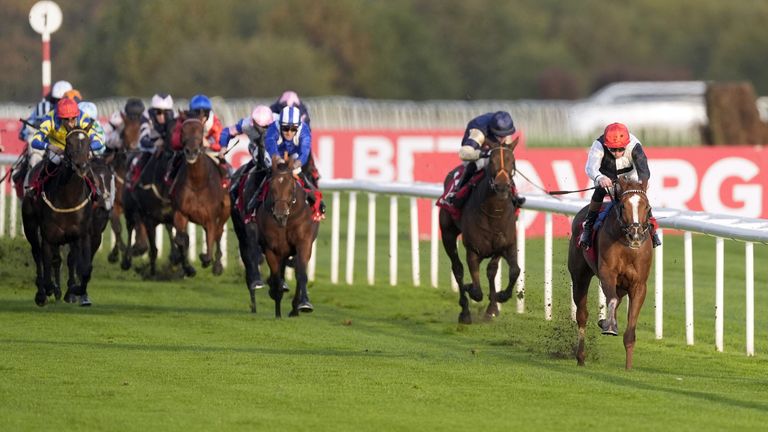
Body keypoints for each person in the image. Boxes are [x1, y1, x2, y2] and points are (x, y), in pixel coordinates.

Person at [578, 122, 661, 249]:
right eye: (612, 149)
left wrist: (642, 184)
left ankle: (651, 228)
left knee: (639, 198)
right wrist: (600, 178)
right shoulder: (598, 145)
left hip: (630, 179)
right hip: (607, 178)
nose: (616, 153)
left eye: (621, 149)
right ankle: (588, 227)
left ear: (626, 145)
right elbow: (591, 167)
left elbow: (643, 170)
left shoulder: (635, 146)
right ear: (606, 145)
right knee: (599, 191)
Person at [442, 111, 525, 208]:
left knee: (505, 165)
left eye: (505, 135)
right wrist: (484, 154)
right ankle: (456, 192)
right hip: (475, 149)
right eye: (499, 135)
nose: (503, 139)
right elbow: (463, 153)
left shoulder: (505, 131)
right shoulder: (479, 132)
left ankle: (514, 194)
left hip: (491, 148)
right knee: (477, 164)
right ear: (493, 130)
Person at [256, 105, 325, 220]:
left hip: (294, 155)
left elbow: (304, 153)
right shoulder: (273, 128)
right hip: (275, 153)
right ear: (280, 125)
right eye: (285, 128)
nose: (289, 132)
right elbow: (271, 146)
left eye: (293, 129)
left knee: (298, 172)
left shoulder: (304, 130)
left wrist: (294, 165)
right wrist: (278, 160)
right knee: (270, 171)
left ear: (298, 127)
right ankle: (255, 202)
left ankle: (317, 204)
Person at [28, 98, 105, 192]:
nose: (70, 123)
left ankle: (96, 192)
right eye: (66, 119)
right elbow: (35, 141)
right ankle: (36, 189)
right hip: (57, 150)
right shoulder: (49, 119)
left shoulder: (83, 118)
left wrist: (84, 149)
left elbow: (99, 142)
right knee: (53, 162)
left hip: (77, 151)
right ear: (59, 117)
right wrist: (50, 146)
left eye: (73, 119)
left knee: (87, 164)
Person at [15, 80, 74, 187]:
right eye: (57, 100)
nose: (60, 104)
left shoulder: (79, 111)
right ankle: (30, 185)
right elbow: (23, 132)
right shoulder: (43, 109)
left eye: (63, 100)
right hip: (46, 148)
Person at [167, 94, 226, 182]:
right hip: (189, 150)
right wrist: (187, 141)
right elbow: (175, 142)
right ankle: (170, 185)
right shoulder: (183, 119)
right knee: (173, 164)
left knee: (226, 168)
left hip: (209, 152)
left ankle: (228, 188)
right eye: (197, 112)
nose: (202, 116)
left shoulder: (215, 123)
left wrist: (209, 144)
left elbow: (221, 143)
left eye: (205, 112)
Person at [127, 93, 176, 188]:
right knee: (137, 160)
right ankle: (133, 179)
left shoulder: (175, 118)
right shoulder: (146, 117)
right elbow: (143, 138)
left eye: (165, 112)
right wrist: (155, 145)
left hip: (167, 147)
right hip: (150, 147)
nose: (161, 116)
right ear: (153, 111)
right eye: (158, 112)